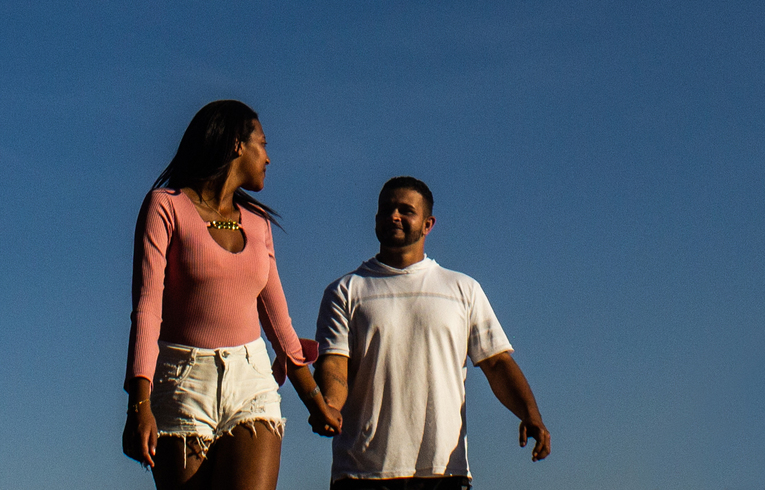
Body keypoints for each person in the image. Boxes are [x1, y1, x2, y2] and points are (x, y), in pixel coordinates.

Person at [124, 100, 341, 487]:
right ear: (237, 145)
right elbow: (147, 308)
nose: (269, 158)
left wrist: (315, 401)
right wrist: (139, 404)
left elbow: (279, 323)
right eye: (263, 143)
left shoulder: (258, 225)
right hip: (183, 380)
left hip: (251, 379)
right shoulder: (166, 206)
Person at [314, 176, 550, 489]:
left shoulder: (462, 290)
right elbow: (334, 364)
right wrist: (329, 405)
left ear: (428, 224)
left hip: (444, 472)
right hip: (362, 472)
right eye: (386, 209)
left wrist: (530, 414)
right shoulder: (345, 291)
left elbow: (496, 363)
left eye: (405, 210)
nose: (394, 216)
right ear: (375, 220)